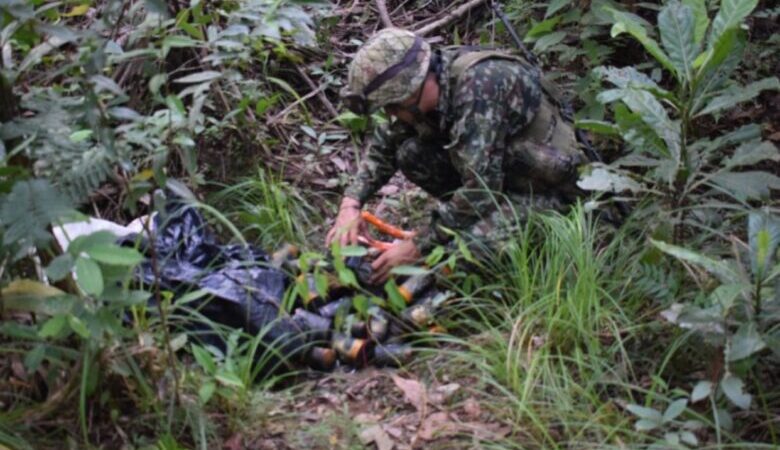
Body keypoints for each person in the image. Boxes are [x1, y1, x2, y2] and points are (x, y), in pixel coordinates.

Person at [326, 28, 587, 283]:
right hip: (502, 178)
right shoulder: (434, 76)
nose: (393, 114)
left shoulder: (479, 89)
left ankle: (491, 238)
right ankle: (460, 225)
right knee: (411, 153)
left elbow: (481, 190)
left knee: (459, 256)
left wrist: (418, 246)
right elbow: (385, 144)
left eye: (394, 106)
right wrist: (351, 203)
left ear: (414, 87)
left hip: (552, 193)